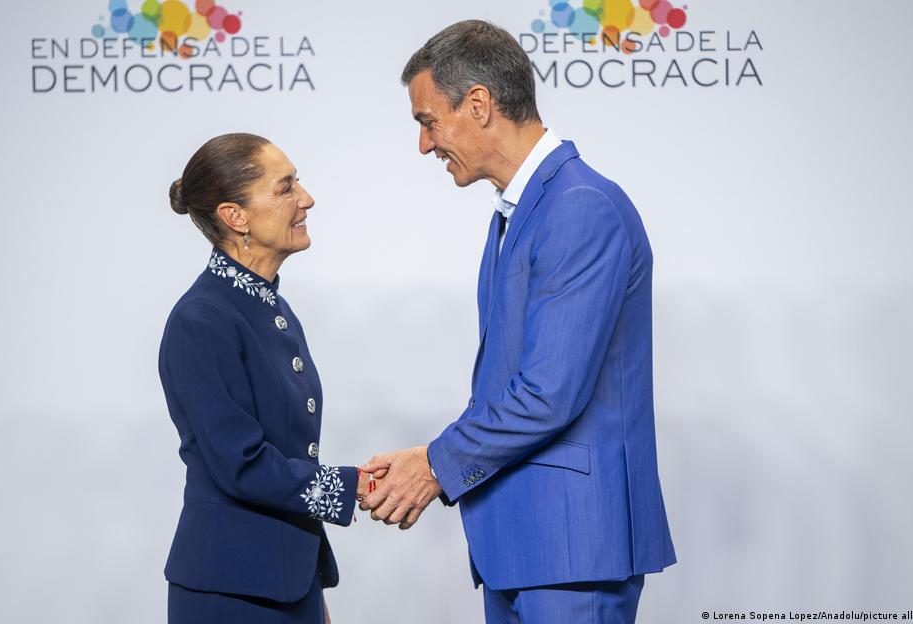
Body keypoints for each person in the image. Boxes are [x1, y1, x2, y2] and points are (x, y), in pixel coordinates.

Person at [359, 20, 677, 624]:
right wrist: (429, 457)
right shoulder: (517, 212)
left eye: (428, 122)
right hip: (525, 548)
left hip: (572, 551)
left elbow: (547, 393)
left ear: (478, 104)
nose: (424, 146)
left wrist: (433, 464)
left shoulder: (579, 206)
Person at [159, 133, 375, 623]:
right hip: (232, 592)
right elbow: (242, 463)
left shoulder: (268, 307)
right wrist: (351, 486)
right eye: (285, 188)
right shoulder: (202, 319)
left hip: (286, 581)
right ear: (236, 216)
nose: (306, 198)